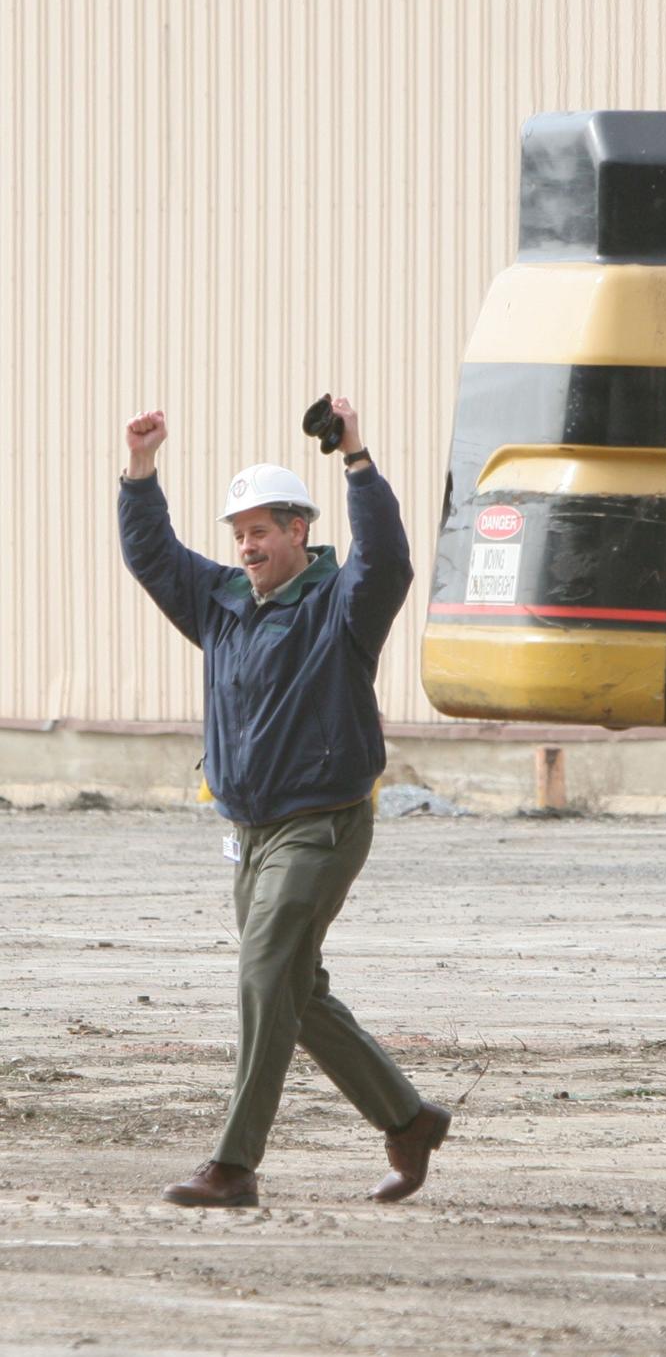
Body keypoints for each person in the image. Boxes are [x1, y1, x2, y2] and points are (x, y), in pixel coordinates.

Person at [118, 400, 449, 1208]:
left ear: (300, 529)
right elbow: (154, 556)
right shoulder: (222, 604)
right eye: (238, 533)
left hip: (322, 824)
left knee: (263, 975)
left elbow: (390, 560)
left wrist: (358, 461)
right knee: (295, 993)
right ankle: (407, 1118)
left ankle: (234, 1164)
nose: (246, 545)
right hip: (251, 832)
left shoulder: (341, 604)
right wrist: (139, 470)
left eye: (261, 530)